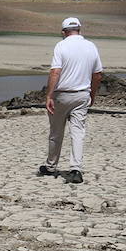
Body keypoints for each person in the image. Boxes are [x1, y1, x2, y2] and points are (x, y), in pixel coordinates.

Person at [39, 17, 102, 185]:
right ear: (79, 29)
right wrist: (92, 95)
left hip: (62, 95)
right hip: (82, 94)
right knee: (78, 132)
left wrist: (49, 95)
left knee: (56, 132)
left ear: (63, 32)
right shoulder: (91, 46)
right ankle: (76, 169)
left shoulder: (61, 46)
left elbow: (55, 72)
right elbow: (97, 75)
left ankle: (51, 166)